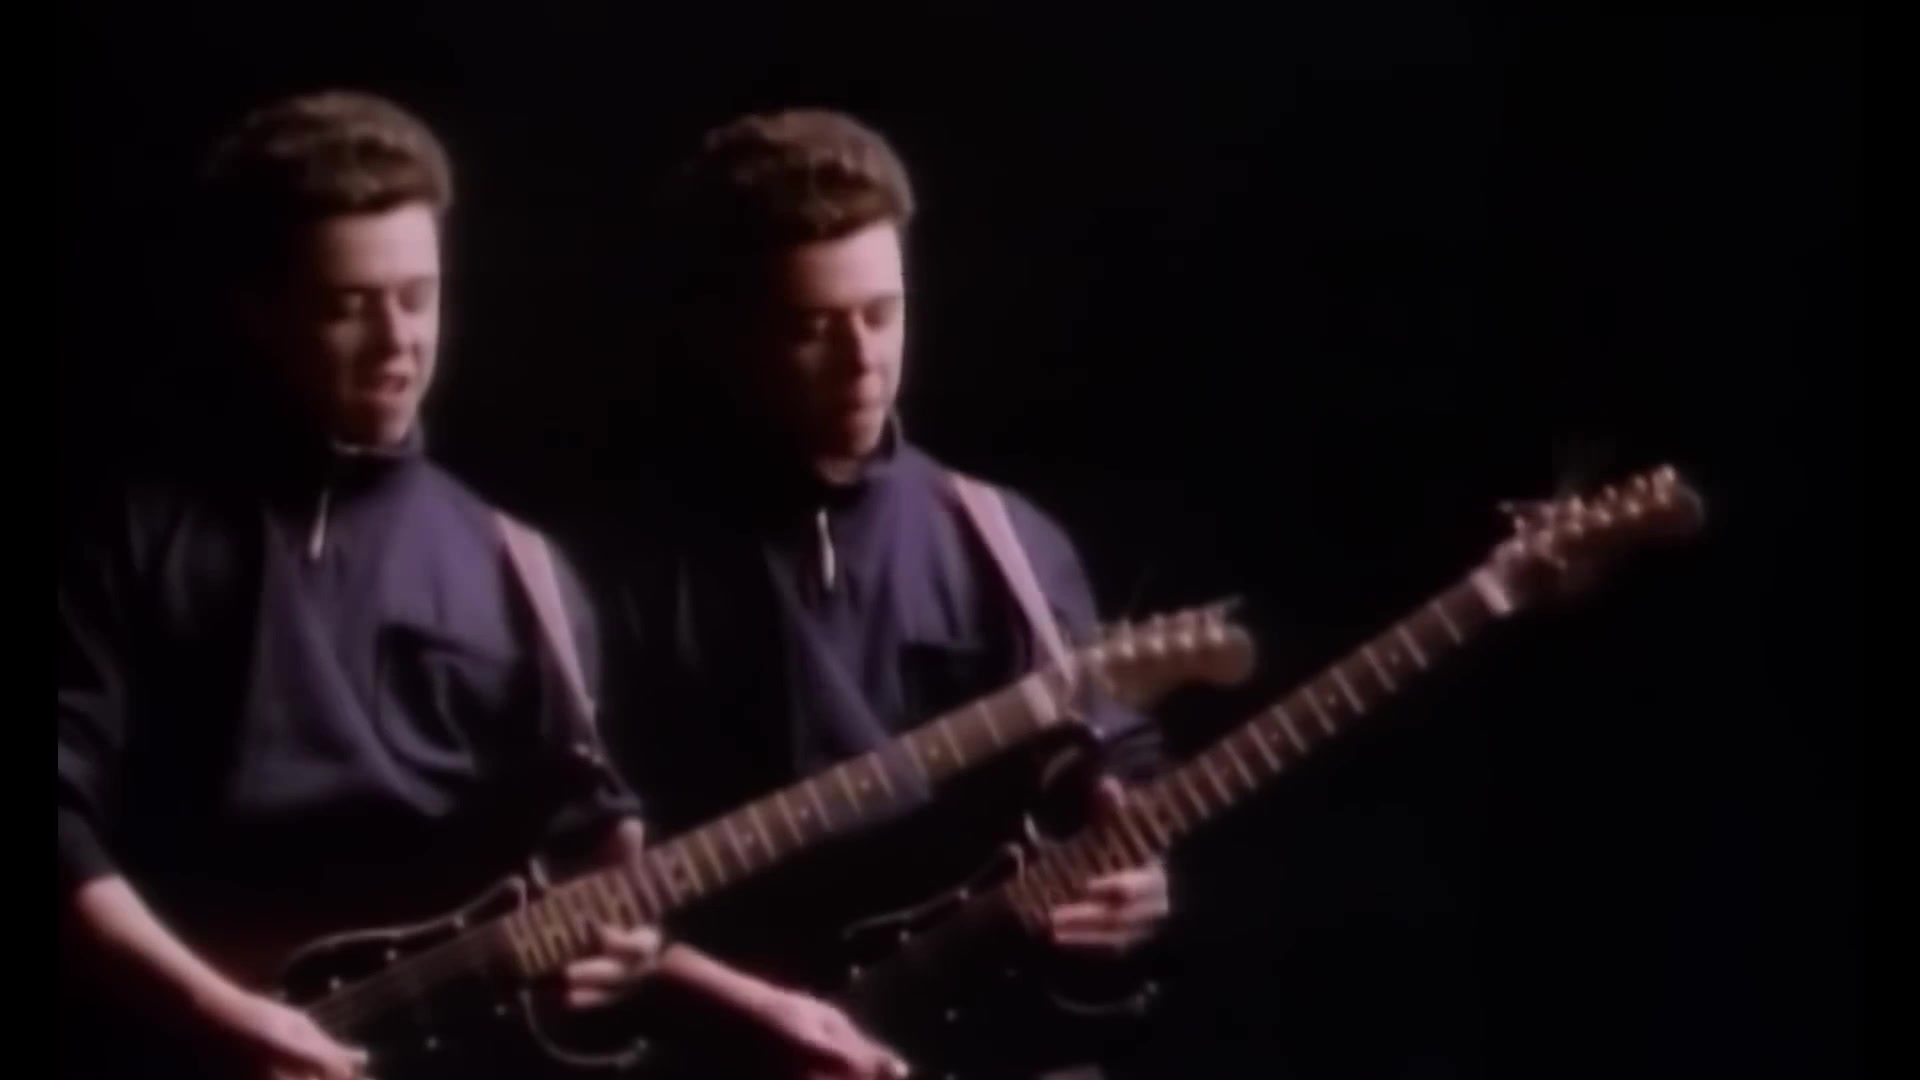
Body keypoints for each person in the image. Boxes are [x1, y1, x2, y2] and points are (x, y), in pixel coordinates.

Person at [57, 90, 911, 1080]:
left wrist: (643, 956)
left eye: (417, 297)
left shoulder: (519, 570)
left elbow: (594, 867)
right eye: (348, 307)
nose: (398, 343)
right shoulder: (128, 537)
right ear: (258, 310)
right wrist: (210, 1011)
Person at [592, 107, 1175, 1079]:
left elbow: (1113, 756)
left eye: (882, 313)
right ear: (724, 333)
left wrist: (1138, 866)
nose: (864, 360)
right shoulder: (619, 573)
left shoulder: (1004, 540)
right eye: (812, 328)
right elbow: (563, 888)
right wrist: (741, 1008)